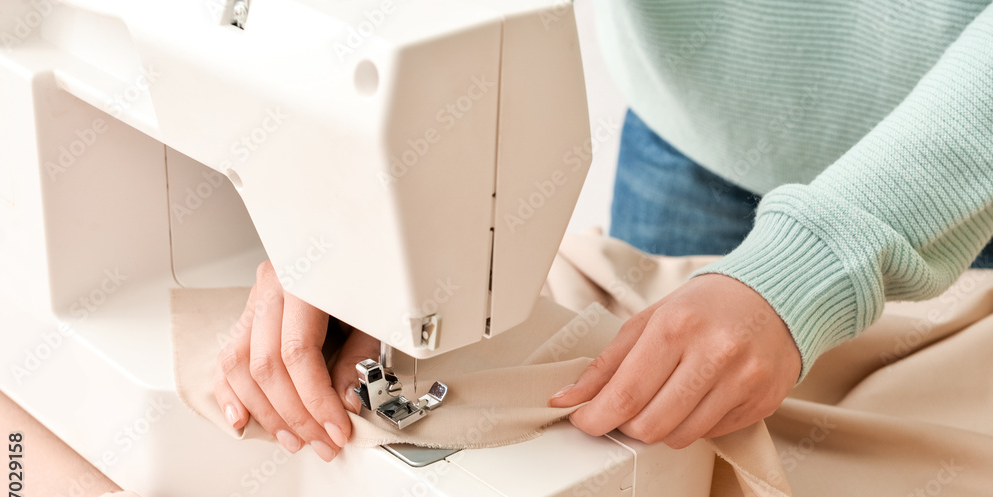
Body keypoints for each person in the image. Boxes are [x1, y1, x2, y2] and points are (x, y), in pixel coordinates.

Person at [215, 0, 993, 461]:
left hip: (972, 175)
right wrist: (349, 198)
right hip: (693, 130)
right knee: (658, 438)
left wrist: (814, 262)